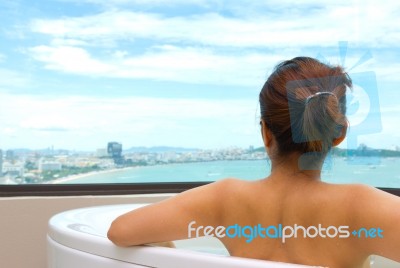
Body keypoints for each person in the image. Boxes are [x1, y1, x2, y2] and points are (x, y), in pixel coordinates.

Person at [108, 57, 400, 268]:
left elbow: (121, 231)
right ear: (339, 134)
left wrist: (168, 254)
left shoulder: (225, 198)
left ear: (265, 132)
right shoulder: (360, 207)